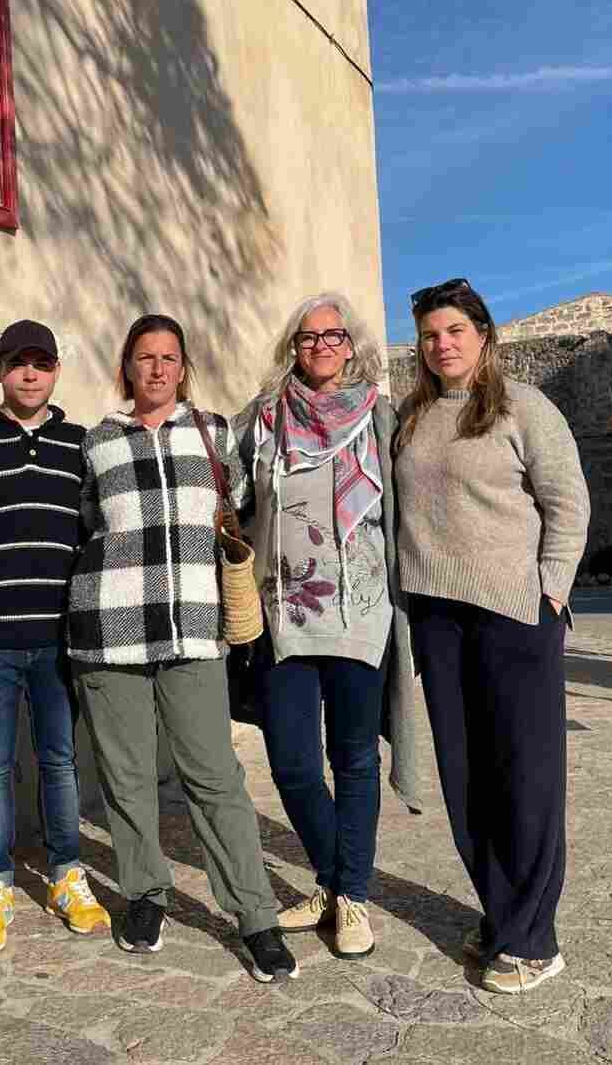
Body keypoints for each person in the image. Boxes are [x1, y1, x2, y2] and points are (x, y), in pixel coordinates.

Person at [68, 314, 297, 984]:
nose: (158, 368)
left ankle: (254, 915)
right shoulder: (98, 441)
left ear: (183, 366)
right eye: (145, 357)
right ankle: (144, 895)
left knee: (213, 775)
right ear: (127, 367)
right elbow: (87, 522)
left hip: (195, 626)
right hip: (111, 626)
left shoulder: (215, 432)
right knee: (128, 773)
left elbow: (248, 505)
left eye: (169, 357)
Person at [395, 278, 589, 996]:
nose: (441, 344)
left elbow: (568, 501)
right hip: (438, 620)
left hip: (515, 615)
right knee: (465, 776)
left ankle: (535, 939)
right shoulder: (411, 418)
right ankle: (501, 911)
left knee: (526, 777)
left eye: (453, 330)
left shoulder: (522, 408)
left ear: (483, 334)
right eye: (428, 334)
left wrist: (550, 593)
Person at [234, 293, 422, 960]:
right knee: (290, 762)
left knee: (355, 760)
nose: (320, 347)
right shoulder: (259, 419)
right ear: (294, 347)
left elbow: (415, 503)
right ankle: (336, 880)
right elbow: (226, 493)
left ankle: (352, 897)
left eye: (332, 336)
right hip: (283, 616)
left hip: (361, 612)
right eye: (307, 338)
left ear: (352, 345)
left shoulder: (382, 417)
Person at [0, 320, 110, 952]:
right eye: (18, 363)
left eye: (42, 362)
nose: (30, 373)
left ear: (57, 370)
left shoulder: (81, 444)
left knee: (59, 762)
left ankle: (67, 873)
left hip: (57, 640)